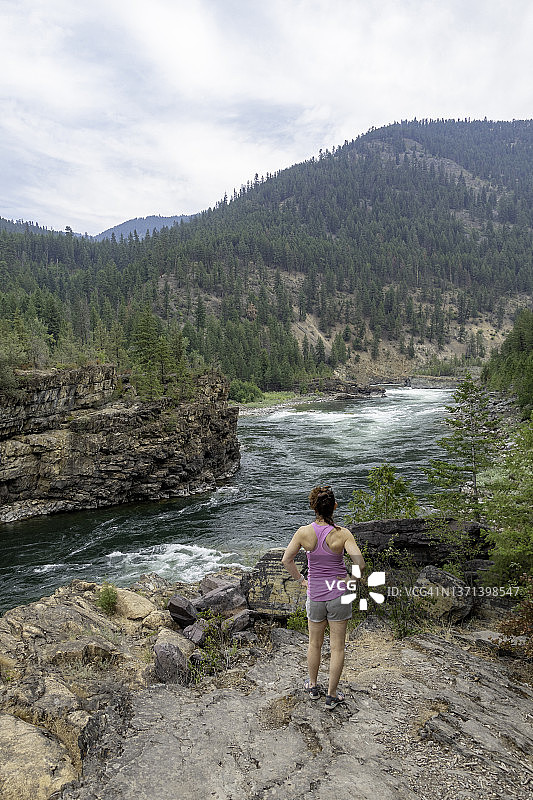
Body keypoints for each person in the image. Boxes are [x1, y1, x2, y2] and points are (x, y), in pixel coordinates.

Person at [282, 485, 365, 710]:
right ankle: (331, 695)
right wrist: (351, 582)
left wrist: (301, 580)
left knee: (314, 643)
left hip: (316, 594)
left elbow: (286, 560)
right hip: (339, 595)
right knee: (337, 647)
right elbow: (360, 563)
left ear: (313, 507)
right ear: (334, 507)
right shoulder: (343, 534)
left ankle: (312, 686)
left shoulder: (303, 533)